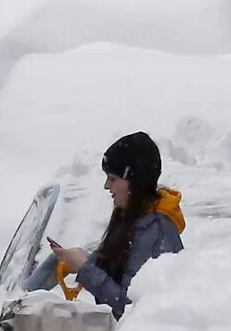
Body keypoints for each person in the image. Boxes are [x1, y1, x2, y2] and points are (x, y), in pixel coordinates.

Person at [45, 130, 184, 317]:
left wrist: (85, 268)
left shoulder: (154, 231)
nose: (106, 186)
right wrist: (79, 260)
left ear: (134, 180)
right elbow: (115, 269)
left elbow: (129, 306)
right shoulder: (133, 214)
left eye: (113, 179)